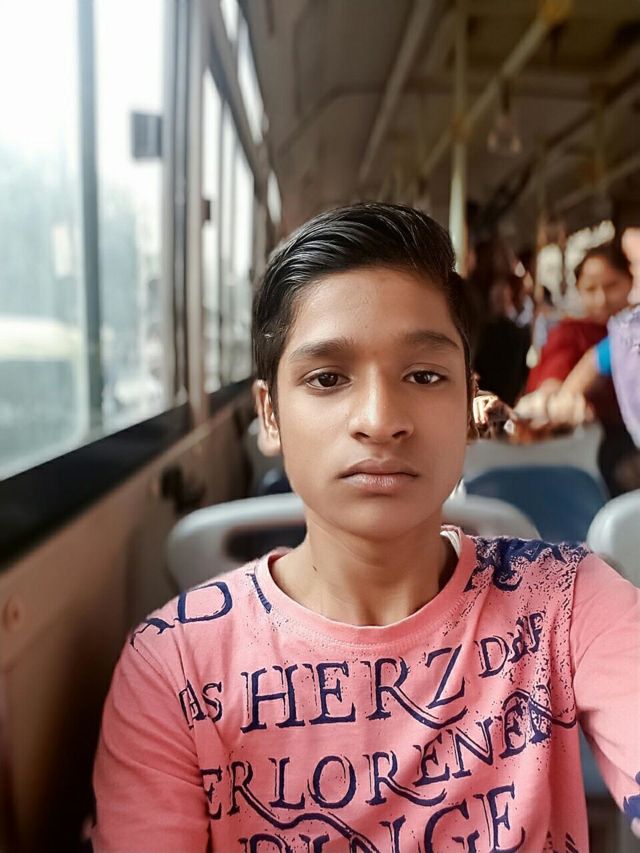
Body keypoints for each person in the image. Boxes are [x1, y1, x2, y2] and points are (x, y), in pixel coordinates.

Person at [90, 204, 640, 852]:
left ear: (468, 401)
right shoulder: (175, 666)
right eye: (327, 378)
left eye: (424, 375)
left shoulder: (569, 604)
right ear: (270, 414)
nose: (380, 419)